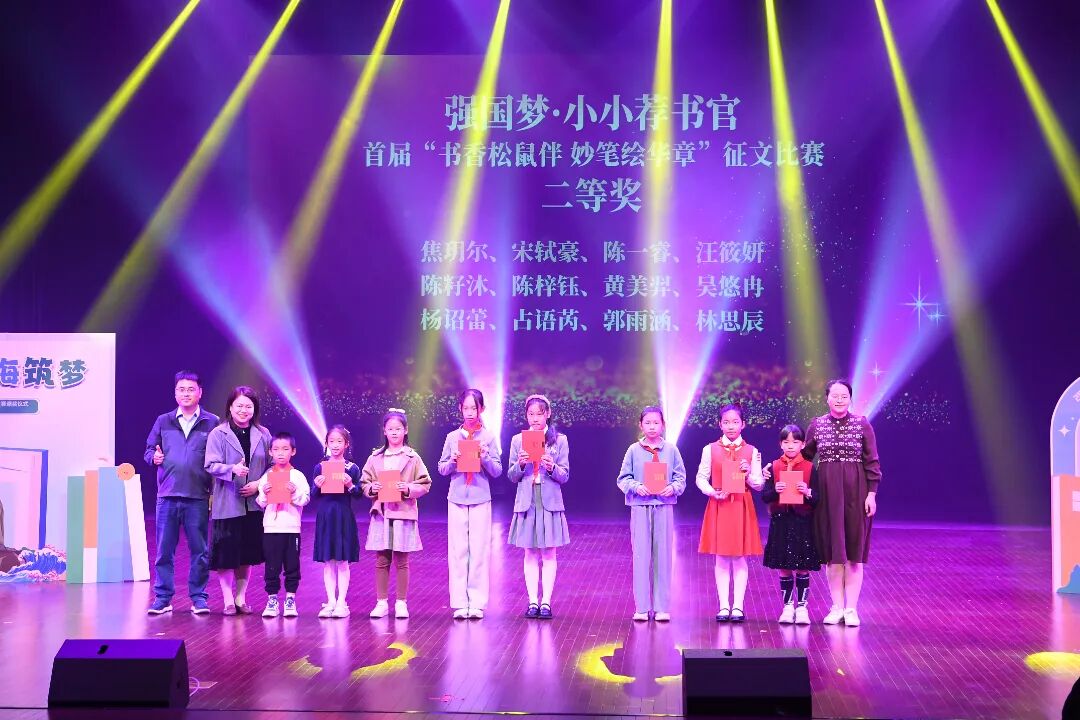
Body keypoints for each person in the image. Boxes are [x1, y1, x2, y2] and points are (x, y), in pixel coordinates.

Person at [803, 380, 882, 627]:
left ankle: (851, 609)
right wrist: (778, 469)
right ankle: (836, 607)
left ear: (850, 398)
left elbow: (872, 462)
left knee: (854, 554)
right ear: (827, 398)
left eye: (844, 396)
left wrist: (871, 494)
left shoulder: (862, 424)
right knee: (833, 554)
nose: (839, 400)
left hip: (857, 493)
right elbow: (804, 458)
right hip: (827, 494)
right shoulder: (817, 425)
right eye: (835, 396)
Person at [144, 371, 219, 615]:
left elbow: (218, 456)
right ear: (175, 393)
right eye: (181, 389)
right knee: (164, 551)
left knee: (200, 551)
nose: (185, 394)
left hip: (198, 496)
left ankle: (199, 598)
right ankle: (163, 598)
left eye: (190, 389)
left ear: (200, 392)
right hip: (167, 496)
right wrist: (153, 457)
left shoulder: (212, 422)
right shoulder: (163, 420)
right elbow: (148, 450)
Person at [205, 386, 272, 615]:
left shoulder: (263, 433)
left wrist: (259, 484)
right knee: (226, 554)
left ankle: (241, 597)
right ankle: (227, 600)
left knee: (247, 553)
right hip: (228, 502)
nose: (244, 410)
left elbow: (273, 465)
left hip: (253, 504)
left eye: (248, 406)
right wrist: (231, 469)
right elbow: (210, 464)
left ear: (255, 409)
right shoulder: (218, 433)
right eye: (239, 405)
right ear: (230, 407)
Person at [615, 405, 687, 622]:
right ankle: (642, 607)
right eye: (648, 423)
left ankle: (662, 607)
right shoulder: (633, 450)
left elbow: (680, 478)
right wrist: (636, 487)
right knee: (641, 556)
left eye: (656, 422)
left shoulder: (671, 450)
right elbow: (622, 478)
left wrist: (672, 488)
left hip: (663, 506)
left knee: (663, 556)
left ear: (663, 425)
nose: (652, 427)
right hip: (640, 507)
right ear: (641, 425)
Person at [360, 409, 431, 619]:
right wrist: (372, 488)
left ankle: (401, 603)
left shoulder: (412, 457)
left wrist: (407, 488)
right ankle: (381, 602)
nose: (394, 432)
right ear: (384, 431)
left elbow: (425, 483)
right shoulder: (375, 457)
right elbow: (364, 482)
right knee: (382, 559)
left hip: (403, 512)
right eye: (390, 429)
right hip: (382, 513)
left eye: (398, 429)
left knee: (402, 560)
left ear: (405, 430)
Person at [438, 389, 503, 619]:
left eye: (473, 408)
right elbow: (442, 468)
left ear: (481, 409)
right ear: (460, 409)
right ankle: (459, 602)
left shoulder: (488, 437)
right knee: (458, 551)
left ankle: (476, 602)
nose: (469, 412)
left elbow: (497, 471)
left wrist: (484, 456)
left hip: (480, 497)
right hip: (456, 498)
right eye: (465, 408)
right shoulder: (452, 437)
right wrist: (453, 461)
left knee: (479, 550)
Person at [696, 404, 764, 622]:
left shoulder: (752, 451)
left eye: (735, 422)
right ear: (720, 424)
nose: (731, 426)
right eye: (726, 422)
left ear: (743, 424)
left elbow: (759, 485)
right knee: (721, 556)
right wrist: (711, 492)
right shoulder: (709, 449)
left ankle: (738, 607)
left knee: (740, 557)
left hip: (742, 506)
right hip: (720, 504)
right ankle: (724, 606)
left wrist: (748, 473)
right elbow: (701, 477)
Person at [507, 394, 570, 620]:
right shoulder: (518, 440)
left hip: (549, 501)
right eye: (531, 414)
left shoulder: (559, 440)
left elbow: (565, 475)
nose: (535, 419)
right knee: (530, 552)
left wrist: (552, 467)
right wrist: (521, 463)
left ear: (547, 414)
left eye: (539, 414)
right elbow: (512, 475)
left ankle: (546, 603)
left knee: (549, 553)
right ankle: (532, 601)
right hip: (527, 500)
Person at [761, 424, 820, 624]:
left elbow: (817, 498)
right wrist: (775, 490)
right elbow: (765, 496)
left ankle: (802, 608)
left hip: (802, 523)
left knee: (803, 567)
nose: (790, 446)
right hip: (781, 522)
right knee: (784, 566)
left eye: (795, 442)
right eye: (786, 442)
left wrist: (807, 492)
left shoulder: (810, 468)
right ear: (780, 444)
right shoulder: (773, 467)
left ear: (803, 444)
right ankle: (787, 607)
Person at [255, 432, 310, 618]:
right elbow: (261, 502)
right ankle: (272, 599)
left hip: (291, 528)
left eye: (285, 449)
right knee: (272, 565)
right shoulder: (267, 476)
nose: (280, 453)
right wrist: (264, 493)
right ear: (270, 452)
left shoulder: (298, 476)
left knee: (292, 565)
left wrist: (293, 493)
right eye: (276, 449)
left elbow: (305, 499)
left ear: (293, 451)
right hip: (271, 528)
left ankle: (290, 599)